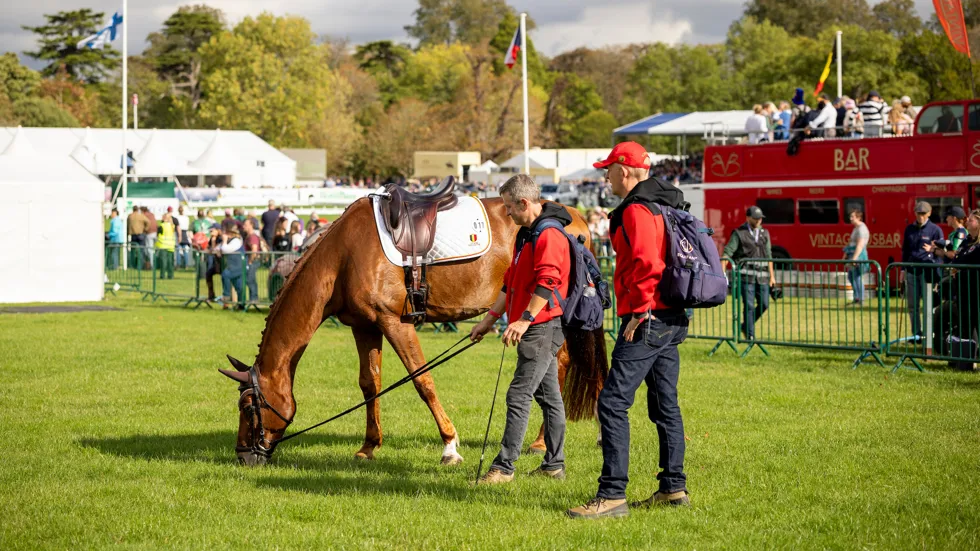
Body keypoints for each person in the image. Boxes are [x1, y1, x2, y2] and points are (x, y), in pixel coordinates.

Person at [567, 142, 691, 519]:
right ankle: (673, 488)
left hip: (648, 317)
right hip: (672, 316)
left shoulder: (637, 208)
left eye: (608, 169)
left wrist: (638, 312)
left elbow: (647, 264)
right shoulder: (667, 201)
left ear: (624, 170)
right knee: (664, 403)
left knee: (612, 403)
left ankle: (612, 495)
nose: (605, 176)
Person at [470, 173, 571, 485]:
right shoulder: (526, 233)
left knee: (519, 394)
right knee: (549, 396)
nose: (507, 212)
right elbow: (511, 281)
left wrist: (524, 319)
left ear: (525, 202)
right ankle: (554, 464)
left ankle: (504, 467)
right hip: (533, 324)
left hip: (544, 326)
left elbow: (549, 281)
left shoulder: (549, 235)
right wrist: (490, 318)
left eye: (509, 206)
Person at [721, 206, 776, 341]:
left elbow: (769, 255)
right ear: (748, 218)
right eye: (756, 218)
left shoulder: (765, 233)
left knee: (764, 304)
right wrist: (722, 275)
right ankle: (750, 336)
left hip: (762, 277)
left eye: (760, 218)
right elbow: (727, 253)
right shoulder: (739, 233)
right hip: (745, 276)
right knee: (749, 305)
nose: (758, 221)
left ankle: (745, 326)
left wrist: (772, 277)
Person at [901, 201, 944, 338]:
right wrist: (903, 269)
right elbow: (905, 251)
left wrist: (936, 271)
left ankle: (928, 334)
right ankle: (916, 335)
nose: (920, 216)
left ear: (929, 213)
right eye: (918, 213)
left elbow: (940, 252)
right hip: (911, 271)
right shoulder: (909, 229)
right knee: (913, 306)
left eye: (923, 214)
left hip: (927, 273)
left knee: (928, 306)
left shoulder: (935, 230)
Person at [948, 209, 980, 369]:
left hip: (977, 291)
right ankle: (968, 362)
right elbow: (956, 258)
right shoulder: (966, 240)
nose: (967, 222)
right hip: (963, 291)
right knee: (966, 325)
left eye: (972, 220)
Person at [214, 223, 245, 310]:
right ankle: (241, 306)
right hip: (233, 266)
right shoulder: (229, 241)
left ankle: (226, 296)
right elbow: (216, 249)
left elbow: (225, 249)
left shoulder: (236, 241)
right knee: (238, 287)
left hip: (238, 266)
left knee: (225, 274)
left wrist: (224, 242)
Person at [844, 210, 870, 306]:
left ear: (858, 217)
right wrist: (845, 254)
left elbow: (860, 245)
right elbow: (850, 241)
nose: (850, 219)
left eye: (853, 217)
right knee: (851, 276)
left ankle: (860, 300)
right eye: (850, 216)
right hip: (852, 254)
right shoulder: (856, 228)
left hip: (858, 255)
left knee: (857, 277)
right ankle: (856, 298)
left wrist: (854, 259)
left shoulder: (861, 229)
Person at [242, 219, 264, 305]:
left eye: (245, 224)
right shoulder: (249, 236)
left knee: (250, 279)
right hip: (252, 260)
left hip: (253, 261)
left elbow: (254, 250)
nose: (244, 226)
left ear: (251, 225)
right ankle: (253, 298)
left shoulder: (252, 237)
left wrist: (250, 262)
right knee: (250, 279)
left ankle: (254, 298)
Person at [154, 212, 176, 280]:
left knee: (163, 262)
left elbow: (158, 234)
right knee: (170, 262)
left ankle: (162, 275)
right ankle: (171, 275)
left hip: (163, 245)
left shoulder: (161, 226)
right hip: (171, 246)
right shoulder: (172, 226)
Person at [126, 206, 149, 270]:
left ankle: (132, 265)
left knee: (132, 251)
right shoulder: (140, 215)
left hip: (132, 235)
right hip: (140, 234)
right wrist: (145, 229)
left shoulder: (130, 216)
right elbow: (148, 222)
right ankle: (140, 266)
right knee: (141, 251)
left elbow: (127, 225)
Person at [173, 206, 191, 270]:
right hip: (185, 232)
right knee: (185, 250)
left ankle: (178, 264)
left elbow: (177, 226)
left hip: (179, 233)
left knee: (178, 249)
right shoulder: (186, 218)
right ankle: (186, 265)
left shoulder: (177, 218)